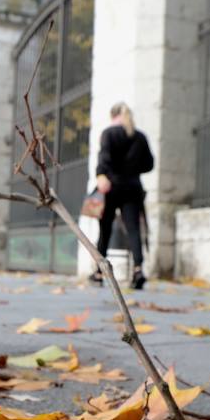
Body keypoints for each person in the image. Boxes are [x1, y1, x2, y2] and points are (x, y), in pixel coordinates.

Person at [91, 102, 153, 290]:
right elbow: (149, 164)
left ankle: (99, 272)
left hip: (111, 188)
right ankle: (138, 270)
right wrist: (132, 170)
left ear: (113, 116)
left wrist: (103, 174)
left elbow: (104, 159)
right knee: (134, 230)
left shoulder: (109, 133)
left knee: (105, 230)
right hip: (132, 188)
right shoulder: (140, 136)